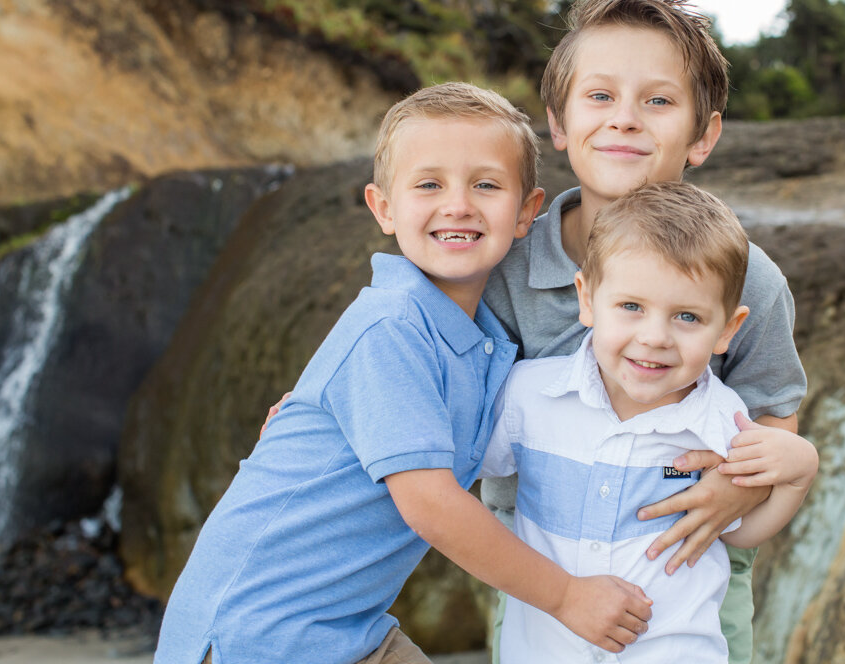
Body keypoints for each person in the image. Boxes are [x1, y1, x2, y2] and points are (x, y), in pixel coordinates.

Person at [155, 83, 653, 664]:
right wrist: (567, 596)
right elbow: (433, 505)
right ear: (384, 208)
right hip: (258, 633)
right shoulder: (391, 327)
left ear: (526, 212)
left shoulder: (486, 341)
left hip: (347, 630)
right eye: (429, 185)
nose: (459, 205)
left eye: (486, 185)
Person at [480, 0, 810, 663]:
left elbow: (774, 413)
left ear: (704, 132)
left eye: (658, 101)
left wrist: (734, 488)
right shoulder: (506, 267)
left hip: (692, 568)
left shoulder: (751, 280)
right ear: (559, 123)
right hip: (540, 571)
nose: (625, 119)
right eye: (600, 97)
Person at [482, 182, 818, 663]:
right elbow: (454, 478)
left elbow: (740, 532)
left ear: (727, 328)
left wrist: (799, 474)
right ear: (587, 298)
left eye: (686, 316)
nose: (655, 337)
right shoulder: (529, 397)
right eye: (631, 307)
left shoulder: (727, 423)